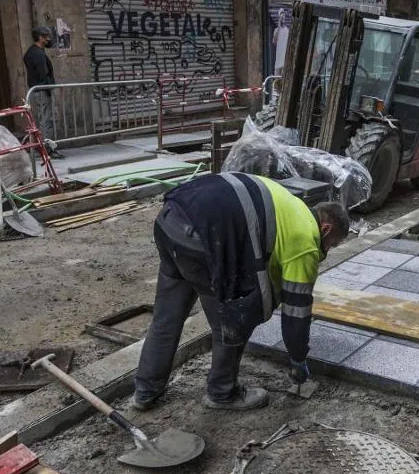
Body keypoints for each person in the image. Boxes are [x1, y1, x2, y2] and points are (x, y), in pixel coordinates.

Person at [133, 174, 352, 411]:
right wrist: (298, 357)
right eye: (333, 244)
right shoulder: (306, 240)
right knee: (232, 320)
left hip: (170, 218)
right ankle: (222, 392)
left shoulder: (292, 206)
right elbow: (296, 313)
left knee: (166, 317)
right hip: (202, 240)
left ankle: (145, 392)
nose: (328, 250)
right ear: (326, 228)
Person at [23, 26, 61, 157]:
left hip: (38, 89)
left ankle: (44, 147)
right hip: (41, 90)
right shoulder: (38, 53)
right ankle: (47, 149)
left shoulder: (32, 52)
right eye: (46, 37)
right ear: (40, 38)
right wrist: (48, 86)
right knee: (46, 120)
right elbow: (43, 73)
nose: (49, 39)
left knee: (43, 119)